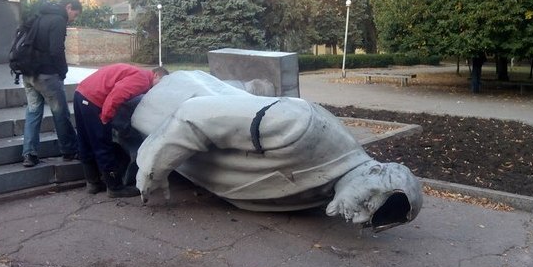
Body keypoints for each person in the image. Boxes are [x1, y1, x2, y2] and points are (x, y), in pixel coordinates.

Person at [129, 70, 423, 233]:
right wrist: (154, 165)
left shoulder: (333, 183)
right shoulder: (301, 126)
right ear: (373, 170)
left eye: (368, 219)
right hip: (160, 106)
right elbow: (196, 113)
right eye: (369, 204)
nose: (358, 220)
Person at [73, 63, 169, 198]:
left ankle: (93, 183)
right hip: (93, 99)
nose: (159, 88)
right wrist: (106, 117)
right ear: (156, 74)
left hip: (81, 94)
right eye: (161, 83)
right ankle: (115, 187)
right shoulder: (142, 79)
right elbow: (117, 95)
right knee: (103, 145)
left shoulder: (136, 73)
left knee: (85, 141)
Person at [21, 0, 82, 167]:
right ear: (68, 7)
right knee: (60, 113)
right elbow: (56, 50)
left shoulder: (39, 16)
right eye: (74, 14)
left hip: (28, 73)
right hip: (47, 75)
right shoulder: (58, 20)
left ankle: (29, 154)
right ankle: (69, 150)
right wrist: (63, 71)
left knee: (33, 113)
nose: (73, 19)